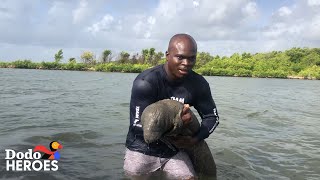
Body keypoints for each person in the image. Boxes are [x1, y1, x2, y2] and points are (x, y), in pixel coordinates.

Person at [124, 33, 219, 179]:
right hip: (141, 147)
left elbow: (212, 117)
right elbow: (139, 127)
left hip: (175, 149)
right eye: (180, 57)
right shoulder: (146, 82)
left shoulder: (199, 84)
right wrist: (178, 124)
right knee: (134, 174)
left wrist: (193, 140)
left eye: (191, 58)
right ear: (167, 55)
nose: (186, 63)